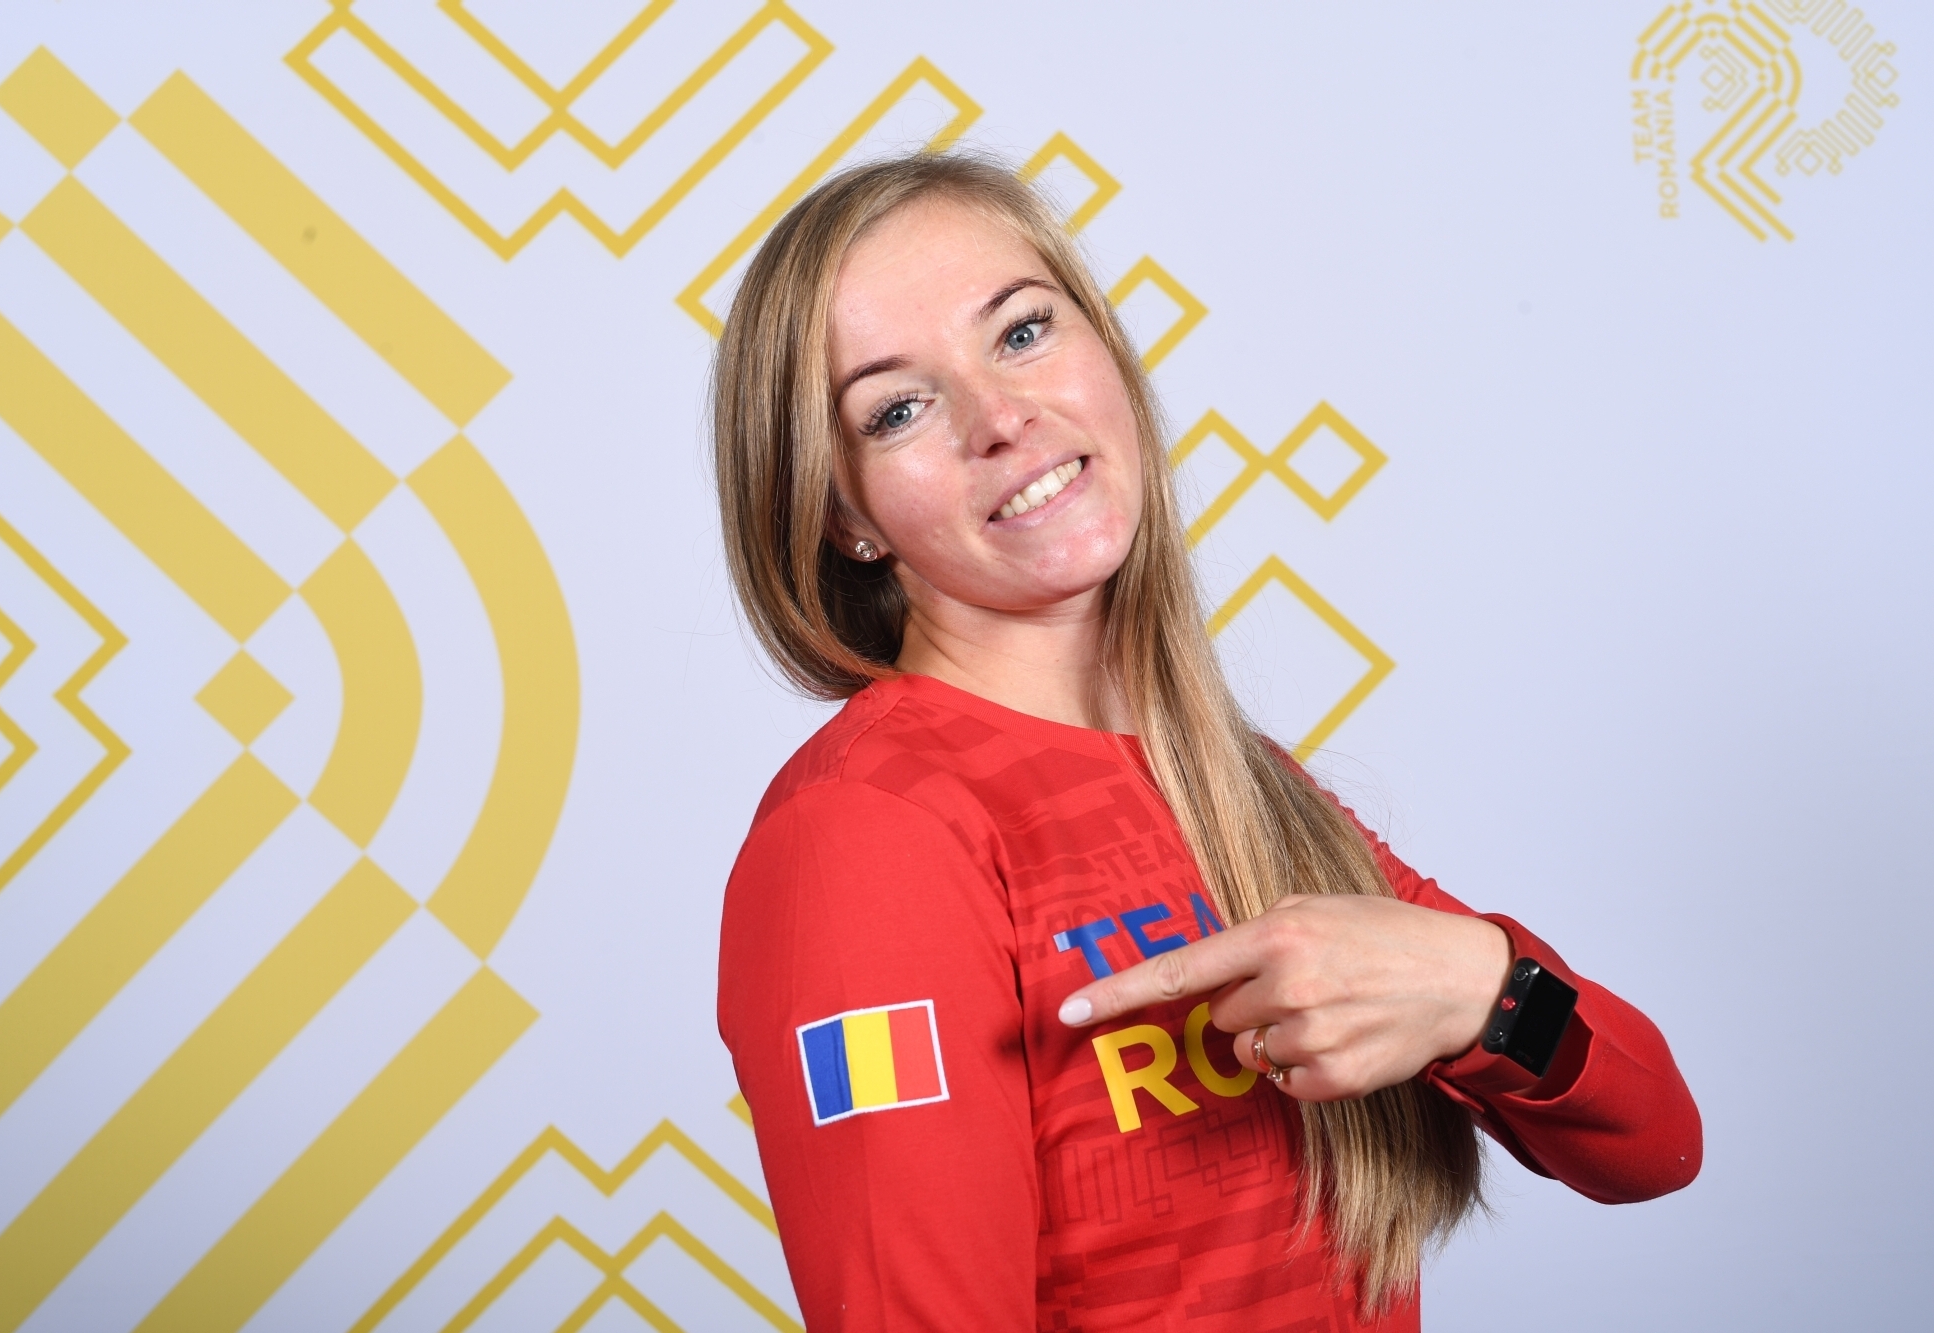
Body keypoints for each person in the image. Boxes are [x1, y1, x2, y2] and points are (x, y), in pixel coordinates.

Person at [713, 152, 1699, 1332]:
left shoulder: (1237, 783)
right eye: (898, 409)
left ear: (1106, 354)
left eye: (1021, 332)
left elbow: (1650, 1140)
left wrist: (1484, 990)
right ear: (842, 514)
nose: (1001, 419)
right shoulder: (864, 836)